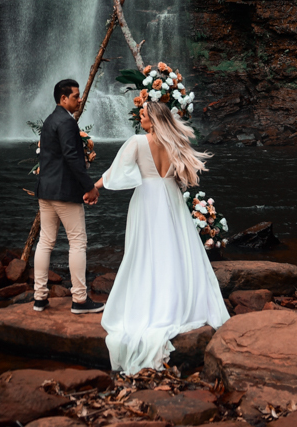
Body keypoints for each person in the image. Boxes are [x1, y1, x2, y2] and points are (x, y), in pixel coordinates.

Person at [91, 100, 229, 373]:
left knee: (144, 252)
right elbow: (182, 178)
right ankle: (177, 298)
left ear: (153, 120)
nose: (139, 118)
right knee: (174, 250)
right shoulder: (176, 143)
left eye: (143, 114)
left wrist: (93, 187)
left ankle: (149, 301)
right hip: (171, 199)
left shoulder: (137, 142)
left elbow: (115, 172)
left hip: (146, 199)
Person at [33, 78, 106, 315]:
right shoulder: (66, 122)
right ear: (63, 98)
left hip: (46, 190)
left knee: (46, 241)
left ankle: (39, 297)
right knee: (77, 242)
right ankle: (80, 300)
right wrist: (89, 186)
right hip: (64, 192)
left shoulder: (50, 120)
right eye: (76, 96)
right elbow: (72, 157)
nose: (80, 99)